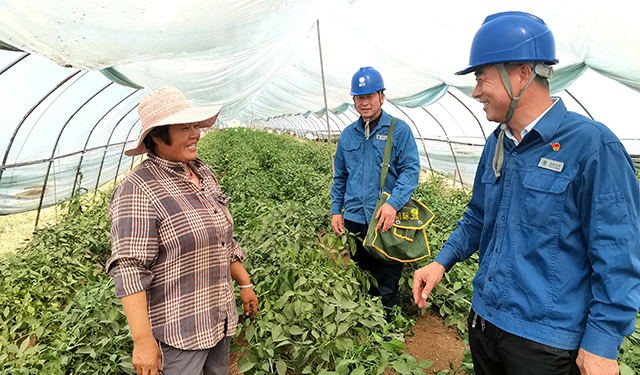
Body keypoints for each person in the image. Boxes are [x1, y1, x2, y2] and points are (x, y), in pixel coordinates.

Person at [412, 11, 640, 375]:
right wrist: (441, 262)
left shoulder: (593, 147)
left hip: (543, 345)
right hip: (485, 323)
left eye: (481, 78)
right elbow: (477, 217)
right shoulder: (496, 144)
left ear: (521, 74)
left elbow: (618, 254)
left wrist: (601, 343)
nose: (475, 92)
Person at [106, 87, 258, 375]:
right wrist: (143, 342)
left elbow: (222, 239)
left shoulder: (202, 172)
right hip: (180, 332)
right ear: (157, 136)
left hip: (220, 317)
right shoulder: (139, 189)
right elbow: (130, 269)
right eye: (184, 127)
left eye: (195, 125)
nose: (195, 133)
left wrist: (244, 283)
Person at [331, 67, 420, 318]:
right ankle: (366, 326)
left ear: (382, 96)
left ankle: (389, 331)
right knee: (362, 274)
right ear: (354, 101)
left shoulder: (398, 130)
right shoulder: (348, 135)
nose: (365, 102)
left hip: (385, 219)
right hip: (356, 219)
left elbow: (410, 172)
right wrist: (336, 211)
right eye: (360, 97)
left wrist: (393, 204)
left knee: (387, 278)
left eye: (371, 95)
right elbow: (340, 177)